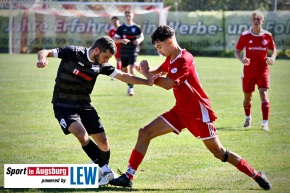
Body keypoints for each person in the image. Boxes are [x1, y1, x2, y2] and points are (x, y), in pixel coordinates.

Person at [110, 25, 272, 190]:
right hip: (180, 111)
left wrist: (146, 74)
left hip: (198, 113)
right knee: (144, 132)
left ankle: (256, 174)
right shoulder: (171, 58)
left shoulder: (184, 59)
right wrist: (145, 70)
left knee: (219, 152)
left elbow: (167, 84)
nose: (159, 51)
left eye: (160, 47)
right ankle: (128, 176)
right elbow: (160, 71)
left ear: (170, 41)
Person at [36, 36, 160, 186]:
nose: (106, 60)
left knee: (104, 144)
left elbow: (123, 75)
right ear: (96, 50)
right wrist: (42, 60)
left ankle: (101, 171)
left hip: (84, 105)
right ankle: (104, 170)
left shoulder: (101, 65)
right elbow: (45, 51)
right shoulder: (72, 52)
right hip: (63, 105)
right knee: (81, 134)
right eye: (105, 57)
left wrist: (146, 82)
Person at [234, 10, 277, 131]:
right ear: (251, 21)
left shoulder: (267, 36)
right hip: (248, 71)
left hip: (263, 71)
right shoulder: (245, 35)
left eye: (259, 19)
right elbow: (237, 50)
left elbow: (273, 49)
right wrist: (242, 59)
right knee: (248, 98)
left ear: (263, 21)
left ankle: (265, 123)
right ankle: (248, 118)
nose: (256, 21)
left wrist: (272, 58)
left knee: (264, 93)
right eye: (254, 19)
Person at [114, 10, 144, 96]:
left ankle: (131, 88)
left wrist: (138, 40)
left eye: (129, 15)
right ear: (124, 17)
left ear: (132, 16)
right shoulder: (121, 28)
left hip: (133, 50)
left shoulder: (136, 27)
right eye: (126, 16)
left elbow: (142, 36)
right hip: (124, 51)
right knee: (124, 70)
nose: (128, 17)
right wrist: (121, 40)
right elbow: (115, 40)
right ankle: (129, 85)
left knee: (132, 67)